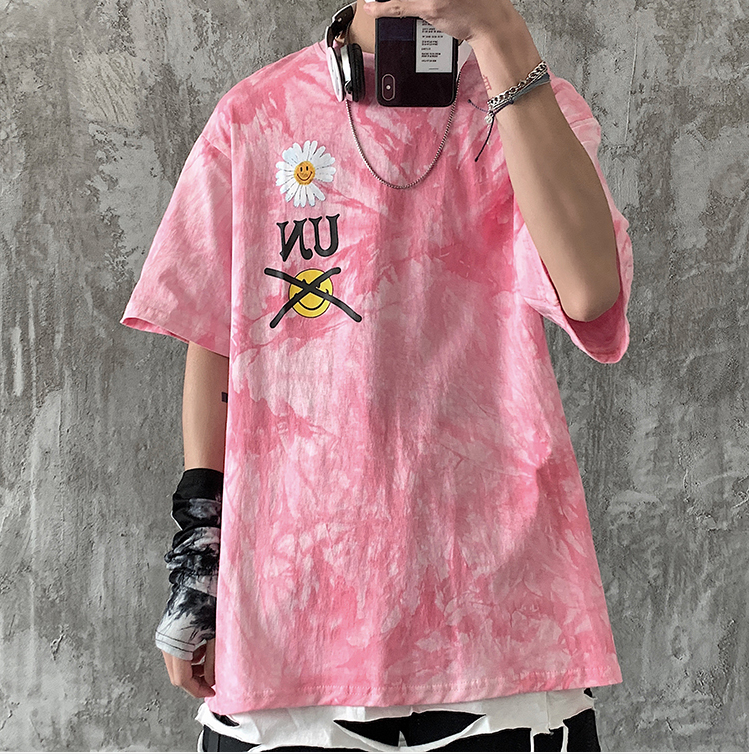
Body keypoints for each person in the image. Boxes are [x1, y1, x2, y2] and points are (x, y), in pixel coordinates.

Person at [120, 0, 633, 750]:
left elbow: (588, 290)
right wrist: (199, 559)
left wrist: (499, 35)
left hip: (498, 634)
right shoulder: (257, 115)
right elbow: (217, 340)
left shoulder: (526, 102)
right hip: (292, 630)